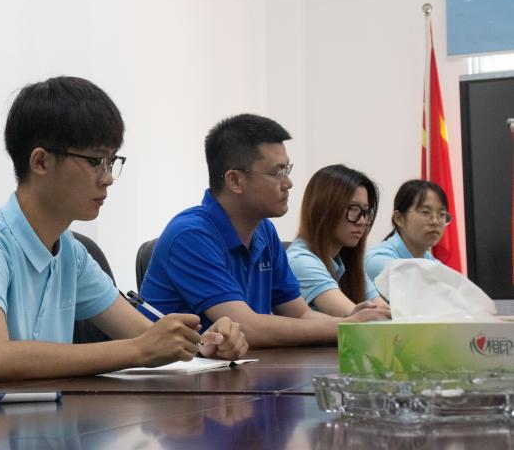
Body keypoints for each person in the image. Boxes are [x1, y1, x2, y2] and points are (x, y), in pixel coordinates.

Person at [0, 76, 247, 397]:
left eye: (111, 161)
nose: (108, 178)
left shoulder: (70, 252)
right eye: (96, 161)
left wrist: (204, 344)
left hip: (32, 422)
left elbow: (146, 335)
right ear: (41, 162)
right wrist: (139, 350)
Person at [139, 114, 390, 348]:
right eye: (277, 172)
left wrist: (353, 322)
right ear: (235, 181)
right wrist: (346, 326)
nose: (288, 183)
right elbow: (247, 327)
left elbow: (301, 313)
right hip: (177, 377)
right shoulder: (190, 235)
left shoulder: (264, 231)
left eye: (287, 170)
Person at [286, 165, 389, 317]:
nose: (362, 221)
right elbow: (356, 320)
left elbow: (384, 311)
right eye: (353, 209)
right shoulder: (301, 261)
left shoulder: (344, 261)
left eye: (366, 211)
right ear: (324, 209)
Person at [365, 179, 452, 278]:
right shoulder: (378, 260)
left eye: (441, 214)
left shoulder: (435, 265)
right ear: (399, 219)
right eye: (425, 212)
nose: (435, 221)